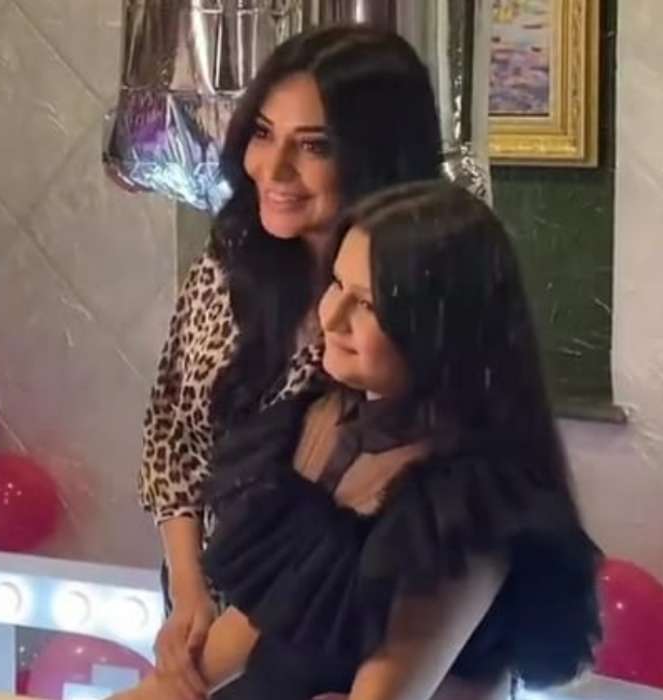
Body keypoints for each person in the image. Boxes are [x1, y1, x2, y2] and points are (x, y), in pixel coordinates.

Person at [123, 182, 602, 700]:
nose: (330, 317)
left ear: (441, 328)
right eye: (336, 283)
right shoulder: (323, 418)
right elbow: (249, 626)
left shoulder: (465, 505)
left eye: (367, 305)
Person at [138, 25, 444, 695]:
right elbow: (171, 437)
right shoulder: (229, 259)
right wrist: (189, 590)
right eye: (263, 133)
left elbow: (347, 527)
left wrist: (201, 665)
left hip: (319, 630)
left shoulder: (414, 307)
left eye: (312, 145)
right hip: (206, 605)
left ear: (377, 155)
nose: (272, 169)